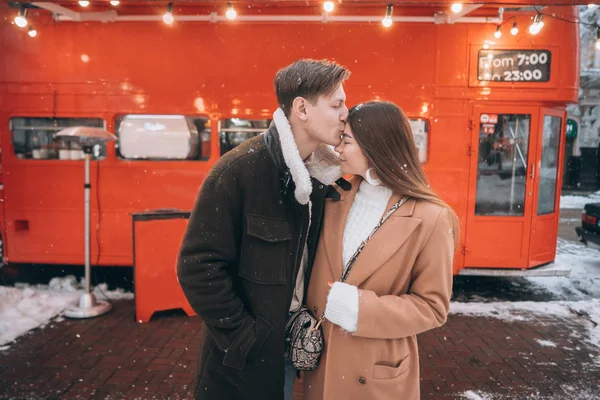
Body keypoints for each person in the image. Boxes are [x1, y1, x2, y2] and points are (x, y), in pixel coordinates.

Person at [177, 58, 350, 400]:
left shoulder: (319, 181)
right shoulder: (238, 171)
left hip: (284, 353)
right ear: (301, 108)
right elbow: (197, 267)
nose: (346, 113)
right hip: (241, 363)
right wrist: (246, 338)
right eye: (337, 104)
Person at [303, 101, 459, 400]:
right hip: (325, 363)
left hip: (377, 373)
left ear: (374, 146)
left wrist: (360, 309)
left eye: (346, 141)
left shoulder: (431, 218)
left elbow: (433, 307)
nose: (338, 149)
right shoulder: (334, 198)